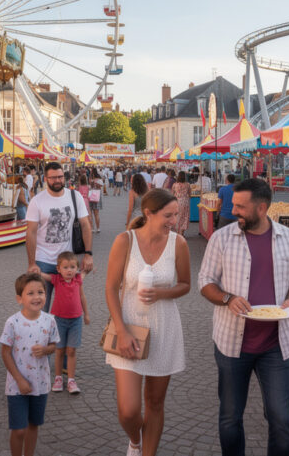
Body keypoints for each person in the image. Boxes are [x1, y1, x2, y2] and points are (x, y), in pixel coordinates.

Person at [198, 178, 289, 456]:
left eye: (240, 206)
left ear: (262, 208)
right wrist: (227, 298)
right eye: (233, 204)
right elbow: (205, 281)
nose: (233, 211)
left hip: (276, 345)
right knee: (230, 418)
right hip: (232, 344)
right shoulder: (222, 238)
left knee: (282, 420)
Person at [106, 188, 189, 456]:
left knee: (155, 402)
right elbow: (110, 287)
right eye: (168, 215)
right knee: (128, 410)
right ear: (148, 213)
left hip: (164, 327)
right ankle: (135, 439)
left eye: (176, 215)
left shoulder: (179, 244)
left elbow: (186, 285)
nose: (173, 221)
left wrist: (162, 293)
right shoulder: (124, 241)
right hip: (128, 326)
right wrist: (121, 329)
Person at [0, 273, 58, 456]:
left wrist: (46, 350)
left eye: (40, 292)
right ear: (19, 298)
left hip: (40, 383)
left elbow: (54, 345)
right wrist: (19, 380)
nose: (37, 297)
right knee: (18, 429)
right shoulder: (12, 322)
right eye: (30, 293)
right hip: (16, 386)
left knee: (34, 424)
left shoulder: (50, 320)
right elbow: (5, 352)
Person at [25, 162, 93, 313]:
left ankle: (61, 335)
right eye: (53, 177)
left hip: (67, 262)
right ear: (45, 178)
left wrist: (88, 254)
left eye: (60, 177)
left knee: (69, 308)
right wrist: (31, 263)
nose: (58, 181)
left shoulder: (75, 197)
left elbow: (85, 225)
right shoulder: (37, 201)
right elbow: (31, 233)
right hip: (43, 262)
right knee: (41, 309)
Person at [39, 251, 90, 394]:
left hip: (76, 320)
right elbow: (44, 276)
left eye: (73, 267)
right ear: (59, 269)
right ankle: (58, 378)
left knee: (71, 350)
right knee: (59, 350)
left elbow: (82, 296)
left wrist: (86, 314)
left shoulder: (78, 279)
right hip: (59, 320)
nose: (69, 270)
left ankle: (72, 380)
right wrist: (36, 271)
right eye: (66, 267)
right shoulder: (56, 279)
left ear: (76, 268)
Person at [171, 170, 191, 236]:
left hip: (177, 202)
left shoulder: (175, 185)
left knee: (178, 216)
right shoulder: (188, 184)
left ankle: (177, 232)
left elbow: (172, 194)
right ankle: (182, 232)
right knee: (185, 217)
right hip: (185, 202)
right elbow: (189, 194)